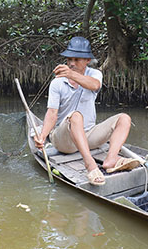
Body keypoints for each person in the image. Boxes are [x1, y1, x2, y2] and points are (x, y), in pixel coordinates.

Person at [33, 36, 135, 186]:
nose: (71, 63)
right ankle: (90, 165)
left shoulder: (95, 74)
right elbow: (52, 113)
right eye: (69, 59)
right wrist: (42, 136)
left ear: (87, 60)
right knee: (75, 116)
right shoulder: (57, 83)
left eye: (77, 59)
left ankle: (111, 159)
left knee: (124, 118)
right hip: (64, 142)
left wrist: (71, 74)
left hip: (88, 137)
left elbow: (94, 85)